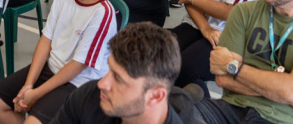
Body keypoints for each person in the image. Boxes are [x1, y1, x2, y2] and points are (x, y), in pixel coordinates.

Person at [0, 0, 115, 124]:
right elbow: (46, 40)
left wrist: (35, 94)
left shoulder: (102, 13)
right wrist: (29, 85)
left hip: (77, 82)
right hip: (51, 67)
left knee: (33, 121)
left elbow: (79, 65)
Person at [51, 22, 199, 124]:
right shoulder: (89, 95)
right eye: (110, 69)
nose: (102, 83)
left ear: (155, 95)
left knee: (185, 104)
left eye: (119, 79)